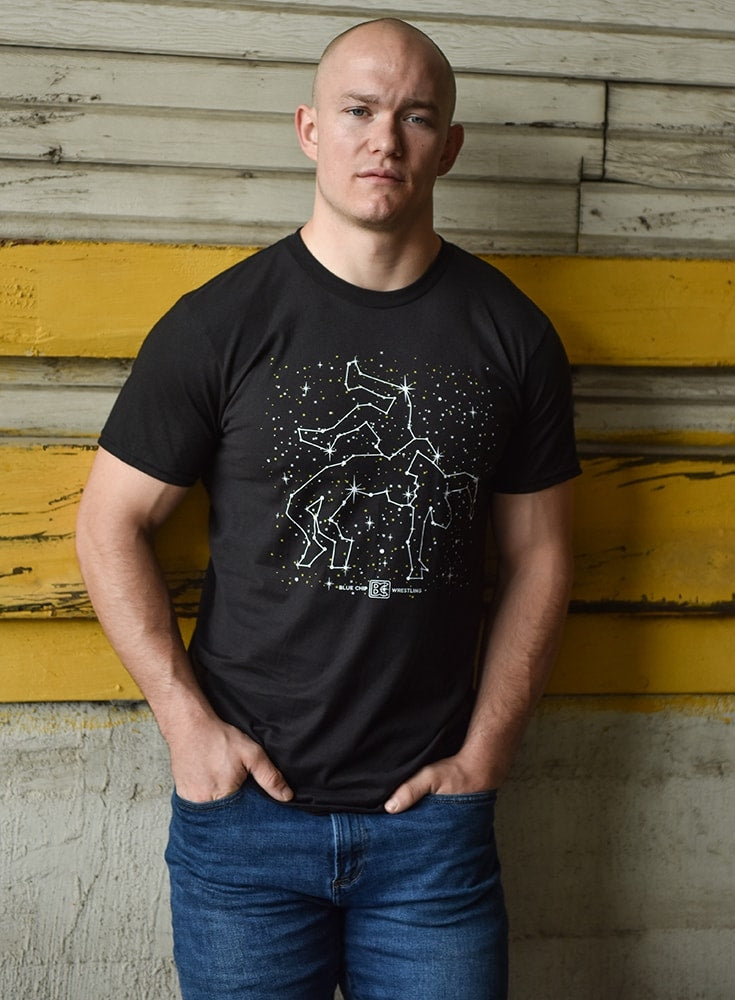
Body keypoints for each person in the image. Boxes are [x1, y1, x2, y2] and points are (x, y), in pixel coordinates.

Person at [76, 17, 579, 1000]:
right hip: (245, 827)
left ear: (448, 145)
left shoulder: (512, 334)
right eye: (358, 111)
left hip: (431, 837)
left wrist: (486, 756)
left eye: (415, 117)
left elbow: (542, 555)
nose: (383, 139)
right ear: (310, 128)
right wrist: (187, 729)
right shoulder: (219, 323)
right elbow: (107, 524)